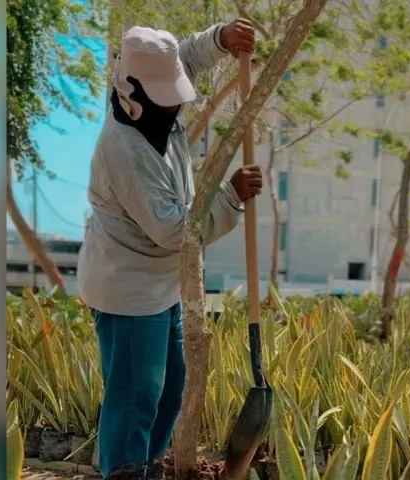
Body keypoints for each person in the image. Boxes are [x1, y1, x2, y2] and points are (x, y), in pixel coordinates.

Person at [77, 19, 260, 480]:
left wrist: (221, 38)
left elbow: (187, 56)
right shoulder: (125, 150)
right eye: (167, 97)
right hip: (130, 287)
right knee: (136, 392)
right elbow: (175, 233)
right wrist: (231, 198)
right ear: (133, 91)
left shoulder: (148, 84)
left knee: (171, 386)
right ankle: (124, 470)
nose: (176, 103)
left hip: (165, 282)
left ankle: (149, 464)